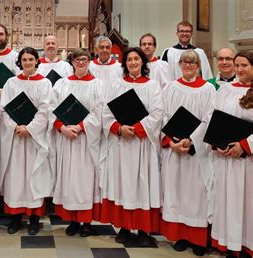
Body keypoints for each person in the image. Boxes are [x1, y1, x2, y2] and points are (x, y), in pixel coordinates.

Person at [100, 47, 162, 246]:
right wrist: (119, 128)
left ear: (143, 62)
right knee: (123, 184)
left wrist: (137, 128)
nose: (133, 63)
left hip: (142, 144)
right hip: (122, 144)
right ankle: (125, 227)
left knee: (143, 185)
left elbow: (157, 113)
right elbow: (106, 111)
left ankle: (143, 230)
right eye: (129, 60)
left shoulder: (153, 85)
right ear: (124, 64)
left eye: (137, 59)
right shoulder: (116, 85)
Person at [159, 50, 216, 256]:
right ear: (179, 64)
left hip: (196, 153)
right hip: (175, 151)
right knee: (177, 191)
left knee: (197, 194)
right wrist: (172, 142)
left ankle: (198, 239)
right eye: (184, 62)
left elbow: (209, 118)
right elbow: (163, 115)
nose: (188, 66)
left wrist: (191, 140)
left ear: (198, 65)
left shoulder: (208, 89)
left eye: (192, 62)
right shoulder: (171, 88)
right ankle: (181, 235)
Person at [50, 48, 104, 237]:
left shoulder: (98, 85)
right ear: (71, 62)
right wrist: (62, 127)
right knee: (69, 178)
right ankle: (72, 220)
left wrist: (81, 126)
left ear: (89, 61)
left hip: (87, 140)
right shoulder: (61, 84)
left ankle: (87, 221)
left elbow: (100, 111)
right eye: (77, 59)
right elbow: (51, 109)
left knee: (87, 180)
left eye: (85, 59)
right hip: (67, 139)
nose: (81, 63)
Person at [0, 47, 52, 236]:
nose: (28, 62)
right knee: (15, 178)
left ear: (37, 61)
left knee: (33, 176)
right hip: (15, 138)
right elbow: (3, 109)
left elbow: (45, 110)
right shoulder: (11, 83)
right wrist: (15, 127)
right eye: (24, 59)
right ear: (19, 62)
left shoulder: (45, 83)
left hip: (34, 139)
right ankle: (15, 217)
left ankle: (34, 219)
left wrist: (30, 129)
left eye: (31, 59)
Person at [210, 51, 253, 258]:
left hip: (247, 161)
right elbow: (216, 118)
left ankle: (247, 246)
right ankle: (230, 245)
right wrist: (217, 143)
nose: (239, 69)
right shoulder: (226, 89)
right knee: (228, 201)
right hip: (226, 157)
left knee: (247, 204)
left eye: (244, 65)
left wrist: (244, 145)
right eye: (237, 65)